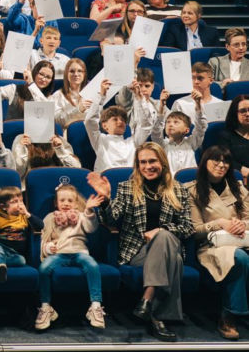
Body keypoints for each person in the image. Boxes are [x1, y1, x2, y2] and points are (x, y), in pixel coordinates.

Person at [88, 143, 194, 342]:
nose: (148, 166)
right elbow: (111, 220)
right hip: (137, 252)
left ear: (162, 162)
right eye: (142, 162)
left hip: (169, 248)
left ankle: (148, 302)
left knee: (164, 238)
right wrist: (106, 200)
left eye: (152, 161)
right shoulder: (127, 187)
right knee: (175, 261)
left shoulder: (178, 190)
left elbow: (188, 227)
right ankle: (159, 313)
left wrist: (162, 230)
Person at [185, 146, 249, 340]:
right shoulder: (192, 190)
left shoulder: (238, 188)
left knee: (241, 253)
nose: (221, 165)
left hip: (241, 238)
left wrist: (241, 223)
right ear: (205, 162)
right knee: (239, 257)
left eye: (226, 161)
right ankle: (229, 315)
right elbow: (194, 230)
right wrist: (220, 223)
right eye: (216, 160)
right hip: (212, 246)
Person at [35, 183, 106, 331]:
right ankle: (46, 306)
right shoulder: (50, 217)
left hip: (79, 252)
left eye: (70, 201)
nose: (66, 204)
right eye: (62, 200)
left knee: (92, 265)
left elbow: (91, 227)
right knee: (44, 268)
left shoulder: (81, 216)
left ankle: (95, 306)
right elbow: (43, 238)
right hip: (60, 254)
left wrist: (88, 210)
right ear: (56, 203)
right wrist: (48, 248)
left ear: (75, 202)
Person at [0, 186, 43, 282]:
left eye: (21, 201)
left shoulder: (24, 218)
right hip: (0, 247)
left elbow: (40, 226)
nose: (20, 204)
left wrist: (27, 214)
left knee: (22, 261)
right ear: (3, 207)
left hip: (14, 253)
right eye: (15, 202)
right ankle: (0, 270)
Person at [218, 95, 249, 178]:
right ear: (235, 113)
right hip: (238, 179)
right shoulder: (225, 136)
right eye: (243, 111)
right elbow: (225, 159)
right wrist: (243, 170)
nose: (247, 114)